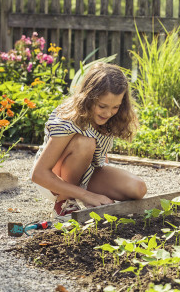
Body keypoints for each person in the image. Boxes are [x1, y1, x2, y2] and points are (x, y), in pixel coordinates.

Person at [31, 62, 147, 216]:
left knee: (138, 188)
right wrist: (87, 195)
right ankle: (65, 202)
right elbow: (38, 174)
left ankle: (79, 195)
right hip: (53, 180)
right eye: (102, 106)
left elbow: (99, 152)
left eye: (115, 107)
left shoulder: (110, 118)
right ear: (89, 97)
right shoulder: (69, 118)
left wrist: (95, 193)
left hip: (86, 172)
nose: (108, 113)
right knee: (85, 143)